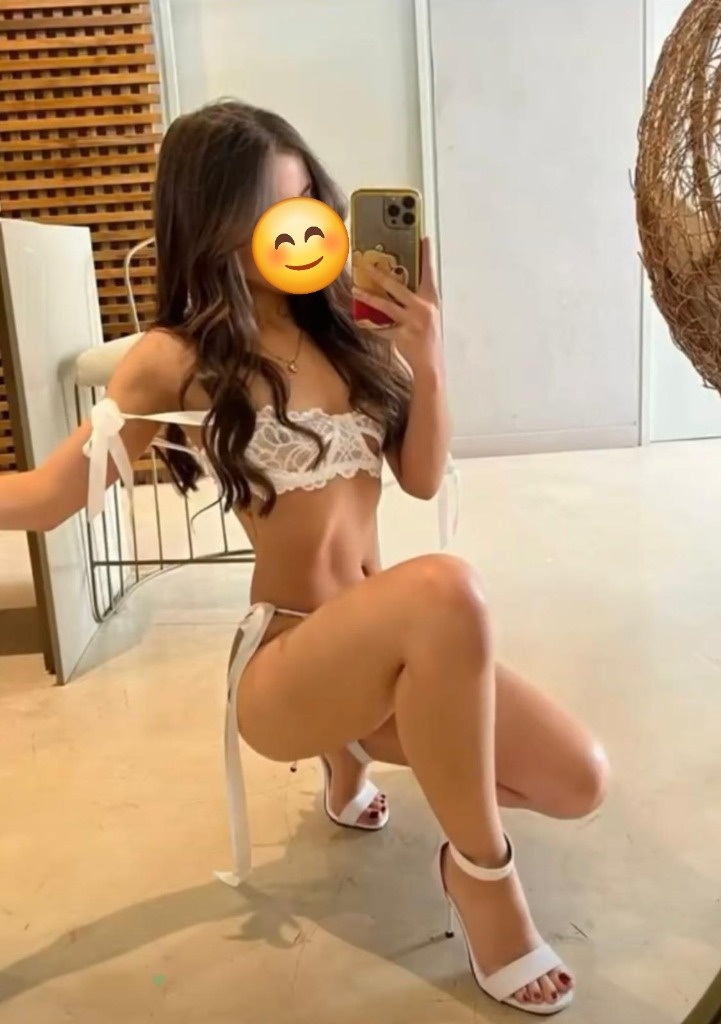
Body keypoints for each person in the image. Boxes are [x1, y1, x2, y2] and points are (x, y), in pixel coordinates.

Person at [0, 100, 609, 1015]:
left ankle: (353, 756)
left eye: (306, 207)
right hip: (288, 664)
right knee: (445, 590)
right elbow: (53, 495)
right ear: (213, 224)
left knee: (577, 781)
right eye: (267, 216)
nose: (298, 235)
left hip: (394, 654)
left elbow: (419, 478)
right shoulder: (175, 358)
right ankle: (483, 880)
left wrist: (427, 359)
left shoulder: (351, 334)